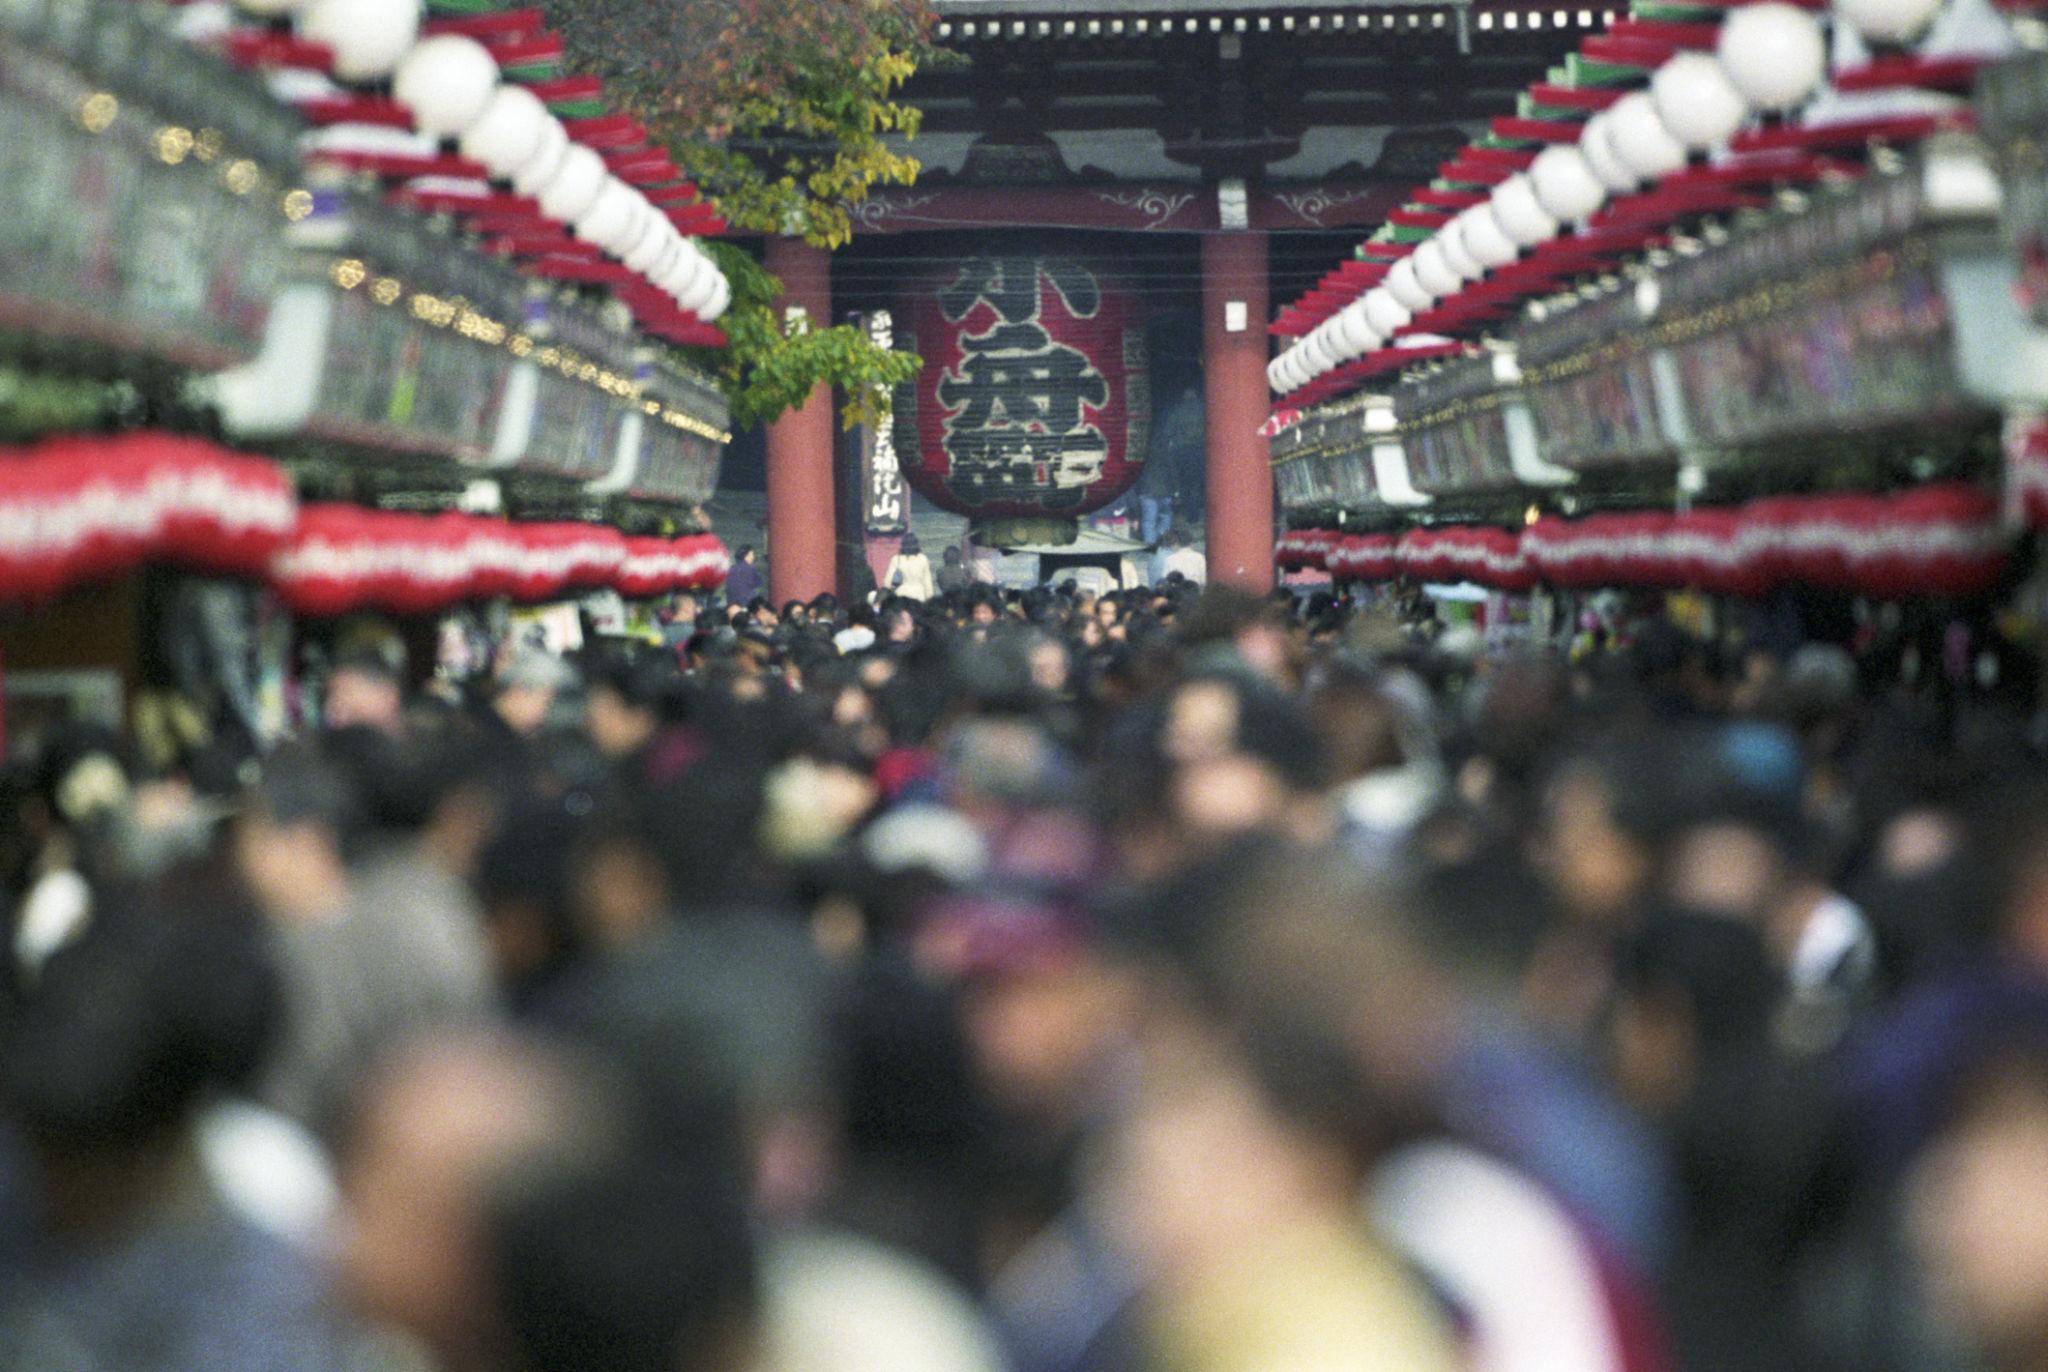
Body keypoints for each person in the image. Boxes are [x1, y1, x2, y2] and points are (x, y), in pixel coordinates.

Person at [885, 535, 938, 603]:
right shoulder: (923, 559)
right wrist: (930, 600)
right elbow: (927, 583)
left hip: (901, 596)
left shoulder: (896, 559)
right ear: (916, 544)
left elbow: (887, 583)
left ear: (903, 545)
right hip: (919, 596)